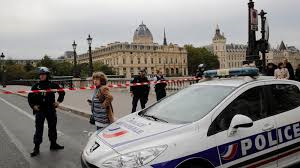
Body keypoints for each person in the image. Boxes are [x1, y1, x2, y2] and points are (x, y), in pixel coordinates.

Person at [28, 67, 65, 157]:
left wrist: (58, 102)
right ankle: (36, 147)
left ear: (47, 75)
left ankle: (53, 144)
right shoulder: (36, 86)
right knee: (39, 129)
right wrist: (33, 106)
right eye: (40, 74)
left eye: (43, 74)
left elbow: (62, 92)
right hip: (40, 110)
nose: (41, 76)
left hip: (50, 109)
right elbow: (30, 97)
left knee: (52, 127)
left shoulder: (52, 85)